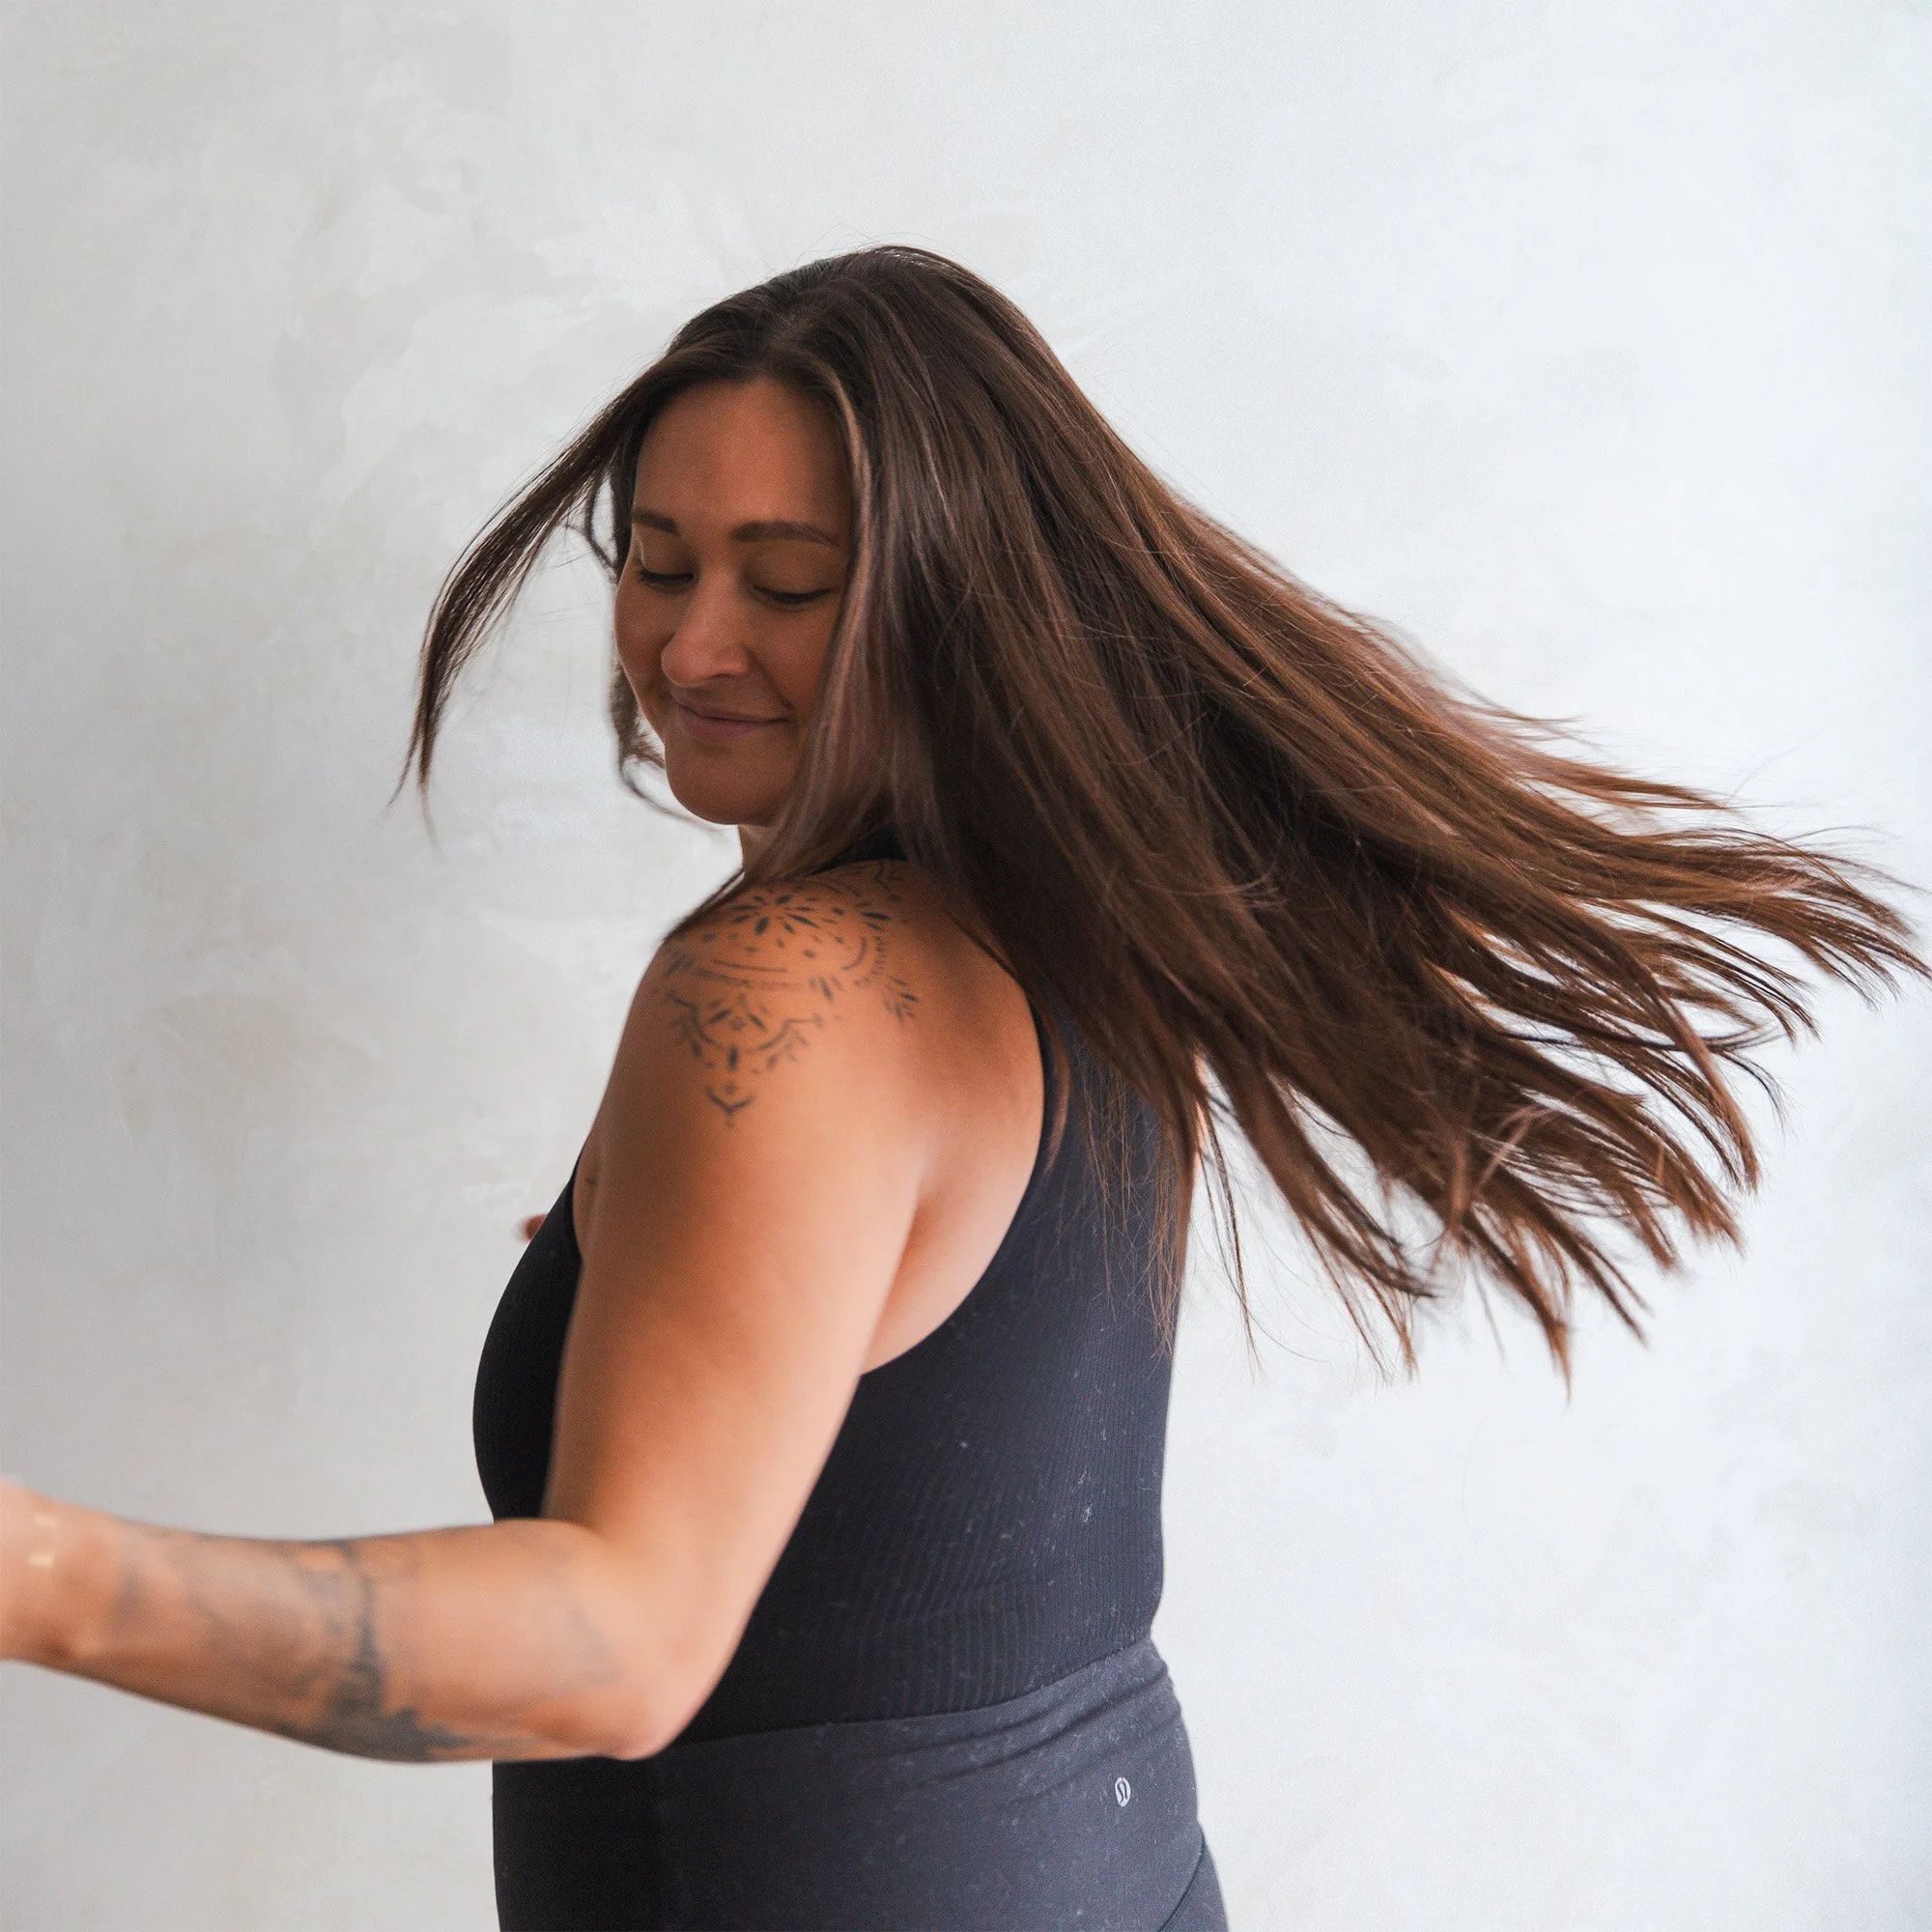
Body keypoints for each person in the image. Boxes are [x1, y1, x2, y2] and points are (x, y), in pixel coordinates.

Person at [1, 244, 1922, 1931]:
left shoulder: (793, 988)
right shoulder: (1082, 928)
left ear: (954, 598)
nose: (689, 642)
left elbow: (620, 1648)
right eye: (656, 562)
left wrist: (42, 1576)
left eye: (786, 582)